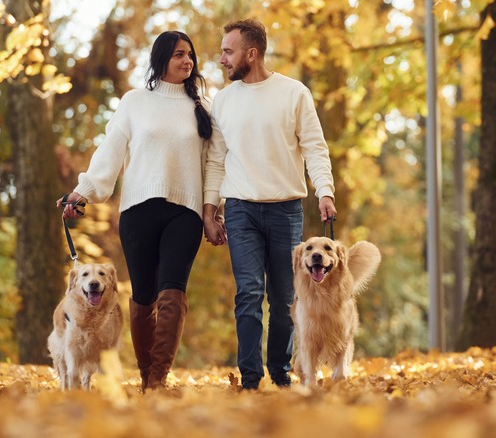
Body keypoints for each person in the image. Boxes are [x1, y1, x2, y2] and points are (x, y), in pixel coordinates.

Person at [58, 30, 212, 392]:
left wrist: (212, 209)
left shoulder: (204, 106)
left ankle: (158, 376)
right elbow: (111, 150)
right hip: (139, 210)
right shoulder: (134, 102)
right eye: (178, 54)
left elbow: (213, 163)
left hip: (185, 211)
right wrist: (83, 192)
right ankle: (146, 375)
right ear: (160, 60)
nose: (187, 61)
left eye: (190, 54)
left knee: (173, 291)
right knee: (143, 296)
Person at [202, 19, 337, 390]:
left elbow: (314, 146)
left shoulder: (294, 93)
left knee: (284, 300)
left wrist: (325, 190)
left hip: (286, 209)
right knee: (248, 293)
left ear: (251, 53)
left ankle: (279, 373)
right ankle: (249, 378)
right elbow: (215, 159)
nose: (222, 59)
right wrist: (209, 209)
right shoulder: (224, 101)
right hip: (241, 209)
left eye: (228, 51)